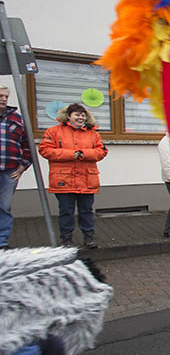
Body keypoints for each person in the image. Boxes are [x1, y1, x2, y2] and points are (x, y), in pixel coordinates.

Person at [38, 103, 107, 249]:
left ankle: (89, 238)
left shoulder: (93, 133)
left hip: (87, 180)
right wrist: (71, 154)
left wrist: (84, 153)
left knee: (86, 211)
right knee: (66, 212)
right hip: (63, 180)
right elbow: (44, 150)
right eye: (77, 114)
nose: (81, 117)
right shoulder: (53, 131)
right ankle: (66, 240)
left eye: (83, 115)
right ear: (68, 116)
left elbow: (102, 151)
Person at [0, 86, 32, 249]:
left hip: (9, 170)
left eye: (6, 96)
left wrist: (22, 167)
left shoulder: (17, 119)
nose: (4, 99)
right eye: (0, 95)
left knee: (3, 207)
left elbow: (27, 145)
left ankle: (2, 242)